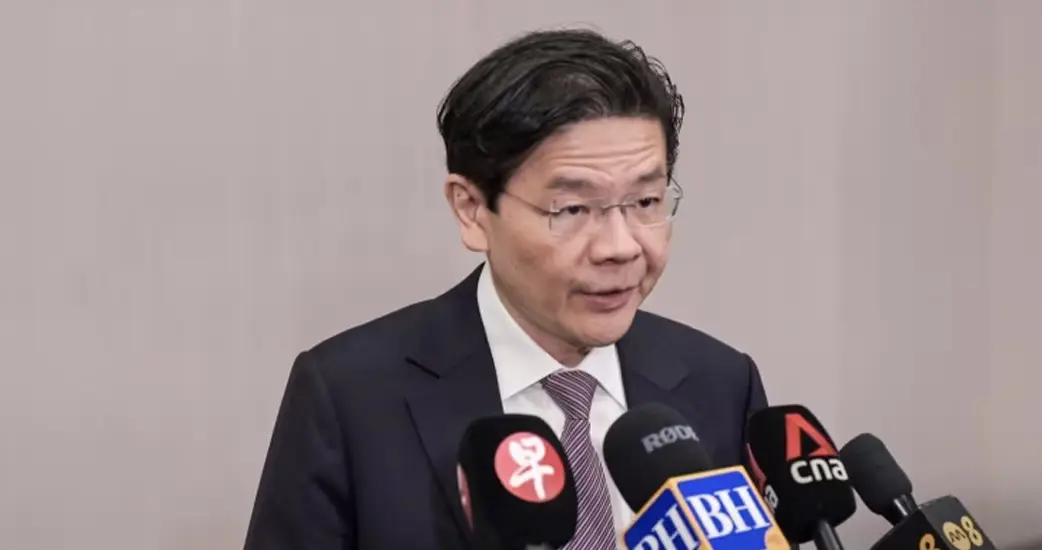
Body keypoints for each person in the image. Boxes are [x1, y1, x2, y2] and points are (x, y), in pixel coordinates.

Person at [243, 28, 769, 550]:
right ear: (472, 210)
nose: (620, 246)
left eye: (647, 202)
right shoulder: (350, 397)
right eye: (573, 209)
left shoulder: (719, 384)